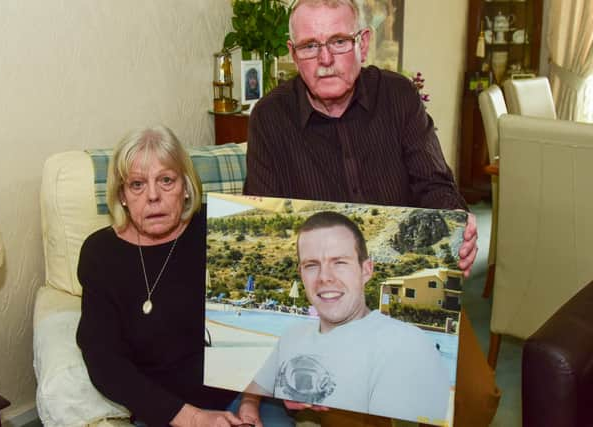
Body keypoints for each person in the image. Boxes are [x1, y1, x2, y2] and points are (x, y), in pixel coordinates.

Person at [242, 1, 499, 426]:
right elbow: (269, 231)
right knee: (358, 415)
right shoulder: (270, 118)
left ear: (363, 42)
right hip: (331, 305)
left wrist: (456, 222)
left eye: (338, 41)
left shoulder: (397, 96)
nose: (325, 59)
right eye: (309, 46)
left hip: (409, 283)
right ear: (292, 54)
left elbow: (435, 183)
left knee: (476, 397)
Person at [76, 125, 294, 427]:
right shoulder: (100, 254)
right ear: (122, 195)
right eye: (137, 184)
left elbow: (263, 322)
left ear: (186, 186)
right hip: (163, 409)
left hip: (241, 393)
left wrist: (250, 404)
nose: (153, 196)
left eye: (166, 180)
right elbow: (104, 362)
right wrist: (193, 419)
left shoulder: (224, 229)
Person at [239, 212, 451, 425]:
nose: (324, 277)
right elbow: (256, 388)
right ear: (301, 273)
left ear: (366, 270)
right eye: (311, 265)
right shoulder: (292, 335)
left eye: (339, 262)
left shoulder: (406, 343)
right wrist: (249, 407)